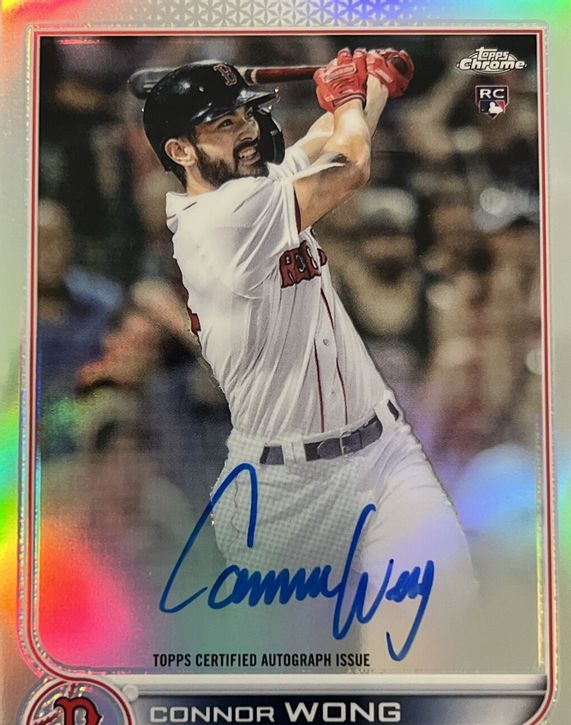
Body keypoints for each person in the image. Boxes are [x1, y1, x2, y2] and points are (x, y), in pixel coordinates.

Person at [142, 49, 478, 668]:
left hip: (382, 453)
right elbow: (349, 166)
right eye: (223, 124)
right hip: (284, 491)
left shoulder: (252, 191)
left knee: (437, 627)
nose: (247, 130)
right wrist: (348, 97)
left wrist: (371, 84)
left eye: (245, 115)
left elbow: (325, 142)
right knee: (300, 681)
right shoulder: (218, 222)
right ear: (180, 151)